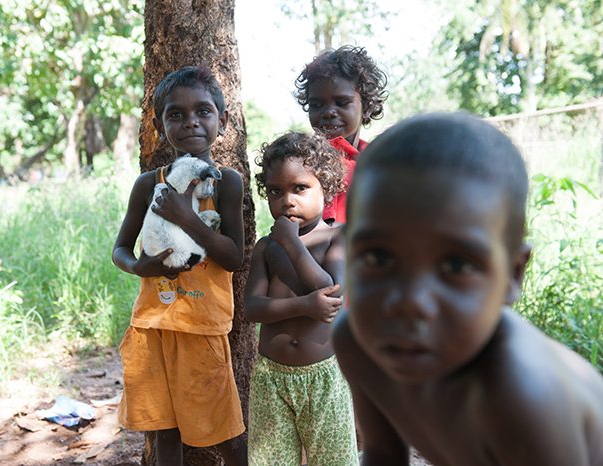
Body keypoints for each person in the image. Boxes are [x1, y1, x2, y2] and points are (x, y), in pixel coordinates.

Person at [333, 112, 603, 466]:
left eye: (456, 265)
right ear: (347, 252)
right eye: (379, 258)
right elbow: (384, 454)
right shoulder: (358, 345)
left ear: (513, 274)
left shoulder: (525, 394)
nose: (410, 302)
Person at [112, 65, 247, 465]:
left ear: (222, 121)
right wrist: (140, 268)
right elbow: (120, 249)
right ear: (159, 123)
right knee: (164, 435)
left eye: (203, 112)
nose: (191, 122)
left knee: (226, 432)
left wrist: (186, 217)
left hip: (202, 327)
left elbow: (234, 257)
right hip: (151, 326)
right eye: (176, 114)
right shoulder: (148, 183)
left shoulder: (227, 182)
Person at [244, 131, 358, 466]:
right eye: (276, 191)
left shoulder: (337, 238)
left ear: (328, 187)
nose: (287, 200)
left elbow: (331, 294)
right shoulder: (266, 247)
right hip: (271, 378)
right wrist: (303, 305)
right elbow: (253, 308)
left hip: (324, 379)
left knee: (334, 459)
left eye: (300, 188)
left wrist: (293, 245)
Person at [295, 45, 387, 224]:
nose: (329, 112)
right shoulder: (300, 162)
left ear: (366, 107)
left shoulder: (380, 164)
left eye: (342, 102)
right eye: (316, 105)